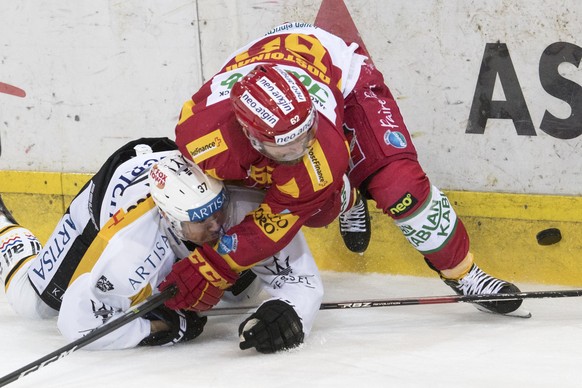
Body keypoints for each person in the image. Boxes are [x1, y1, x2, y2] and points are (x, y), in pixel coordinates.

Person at [162, 21, 525, 317]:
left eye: (304, 135)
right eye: (285, 144)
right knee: (319, 211)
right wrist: (213, 255)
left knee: (401, 189)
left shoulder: (322, 149)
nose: (302, 149)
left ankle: (465, 273)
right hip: (270, 69)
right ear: (250, 135)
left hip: (346, 80)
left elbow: (277, 219)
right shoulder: (201, 138)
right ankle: (347, 199)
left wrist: (215, 265)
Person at [0, 137, 322, 353]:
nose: (218, 225)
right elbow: (77, 322)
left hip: (173, 169)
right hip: (113, 191)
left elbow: (298, 279)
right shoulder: (133, 245)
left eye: (218, 209)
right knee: (36, 306)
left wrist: (290, 311)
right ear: (171, 219)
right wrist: (159, 329)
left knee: (242, 291)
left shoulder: (243, 206)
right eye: (202, 220)